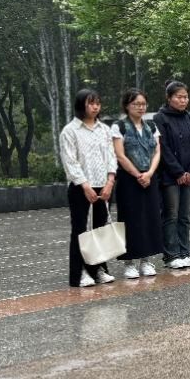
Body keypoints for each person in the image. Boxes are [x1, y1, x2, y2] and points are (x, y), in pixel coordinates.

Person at [59, 88, 118, 287]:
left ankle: (98, 269)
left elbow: (111, 156)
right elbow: (70, 161)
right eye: (91, 103)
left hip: (104, 186)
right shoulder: (70, 131)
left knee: (100, 228)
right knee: (81, 229)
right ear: (81, 105)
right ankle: (81, 272)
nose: (95, 107)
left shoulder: (104, 129)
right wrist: (85, 185)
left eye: (97, 103)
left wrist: (110, 181)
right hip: (80, 187)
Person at [111, 88, 164, 278]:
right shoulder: (119, 126)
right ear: (127, 105)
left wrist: (149, 173)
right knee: (130, 219)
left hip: (149, 178)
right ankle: (129, 263)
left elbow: (157, 152)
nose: (140, 107)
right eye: (136, 104)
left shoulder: (151, 126)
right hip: (129, 179)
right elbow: (120, 155)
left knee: (150, 218)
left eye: (143, 104)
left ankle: (146, 260)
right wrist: (137, 175)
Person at [153, 80, 190, 270]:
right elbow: (162, 148)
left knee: (185, 216)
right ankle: (171, 255)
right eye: (179, 97)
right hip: (170, 177)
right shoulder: (160, 118)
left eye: (185, 97)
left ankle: (184, 252)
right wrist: (179, 172)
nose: (183, 100)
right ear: (169, 98)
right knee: (171, 215)